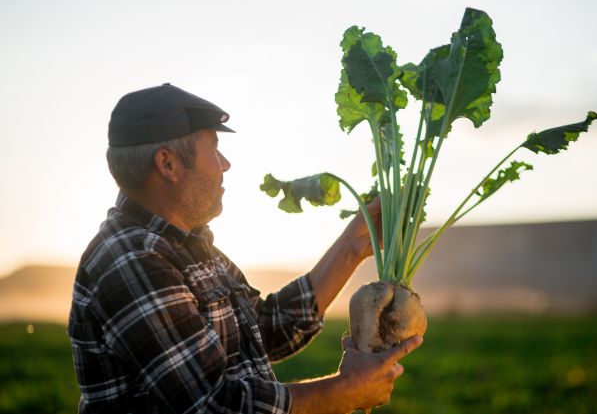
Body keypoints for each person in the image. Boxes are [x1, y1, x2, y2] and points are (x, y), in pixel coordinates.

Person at [67, 83, 422, 414]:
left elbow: (265, 330)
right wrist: (344, 392)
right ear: (168, 164)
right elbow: (213, 405)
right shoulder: (132, 259)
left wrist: (352, 248)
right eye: (214, 151)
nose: (225, 165)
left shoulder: (190, 247)